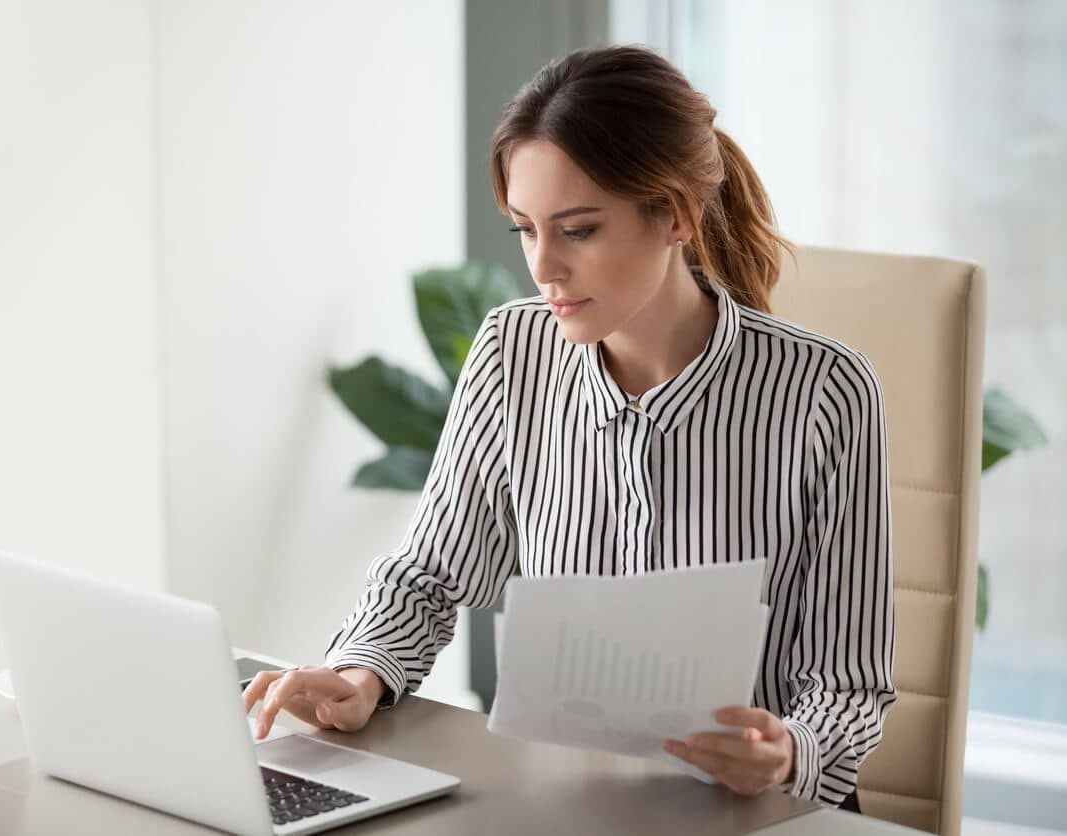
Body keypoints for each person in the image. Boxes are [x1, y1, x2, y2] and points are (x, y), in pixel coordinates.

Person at [244, 44, 894, 813]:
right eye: (525, 228)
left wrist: (787, 753)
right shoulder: (511, 352)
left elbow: (848, 684)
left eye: (578, 230)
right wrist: (361, 671)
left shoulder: (826, 391)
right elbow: (429, 575)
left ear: (677, 215)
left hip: (755, 814)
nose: (543, 266)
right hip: (559, 806)